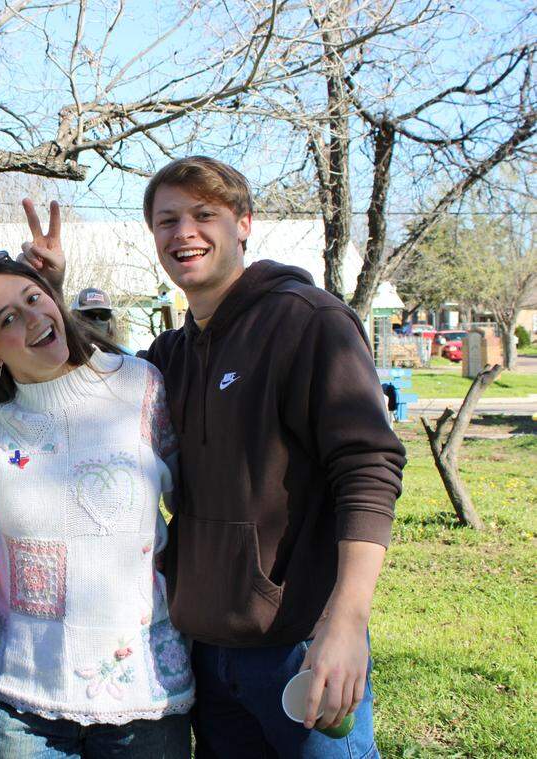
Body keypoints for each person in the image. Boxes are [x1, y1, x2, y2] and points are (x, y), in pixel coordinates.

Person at [22, 157, 406, 758]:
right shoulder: (173, 355)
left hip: (299, 647)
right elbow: (91, 377)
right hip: (204, 653)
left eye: (205, 215)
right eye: (167, 220)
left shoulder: (307, 321)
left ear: (244, 223)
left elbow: (369, 469)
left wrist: (347, 621)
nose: (184, 233)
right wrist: (50, 294)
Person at [0, 248, 194, 758]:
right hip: (21, 697)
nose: (35, 317)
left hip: (143, 689)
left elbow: (196, 500)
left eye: (35, 298)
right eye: (8, 318)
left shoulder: (139, 386)